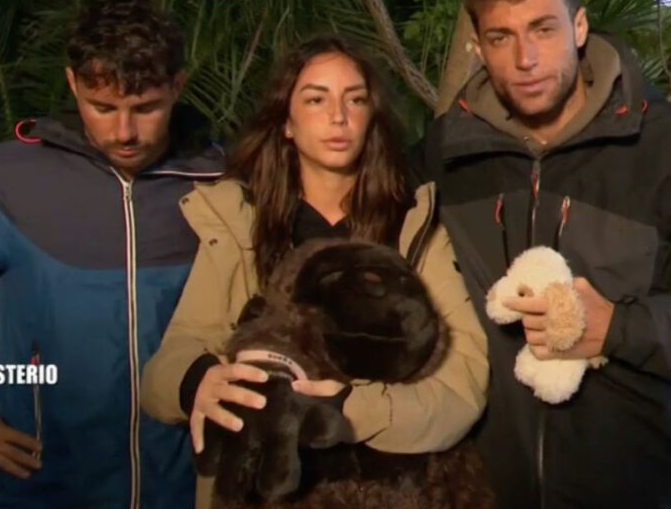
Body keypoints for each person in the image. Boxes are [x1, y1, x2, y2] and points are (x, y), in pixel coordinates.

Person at [409, 0, 671, 509]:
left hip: (661, 492)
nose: (526, 59)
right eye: (501, 37)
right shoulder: (444, 157)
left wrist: (616, 327)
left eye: (543, 29)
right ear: (478, 48)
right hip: (488, 492)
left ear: (579, 26)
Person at [0, 0, 222, 508]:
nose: (124, 132)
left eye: (145, 108)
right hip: (41, 489)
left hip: (186, 489)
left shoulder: (223, 182)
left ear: (178, 85)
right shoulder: (8, 179)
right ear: (71, 84)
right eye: (102, 107)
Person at [140, 35, 489, 507]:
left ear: (372, 117)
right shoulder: (241, 222)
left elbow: (462, 388)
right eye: (316, 99)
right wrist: (198, 380)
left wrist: (345, 410)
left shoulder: (416, 224)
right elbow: (165, 368)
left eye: (355, 99)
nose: (338, 117)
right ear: (286, 122)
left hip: (387, 489)